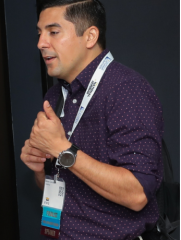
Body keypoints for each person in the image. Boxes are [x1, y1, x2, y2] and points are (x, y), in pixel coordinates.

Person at [21, 0, 164, 239]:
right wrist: (39, 168)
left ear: (90, 37)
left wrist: (61, 148)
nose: (41, 43)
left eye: (53, 32)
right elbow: (60, 185)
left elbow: (137, 194)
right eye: (40, 33)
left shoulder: (126, 89)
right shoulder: (55, 95)